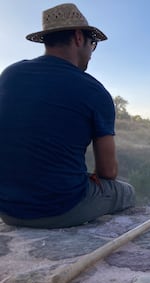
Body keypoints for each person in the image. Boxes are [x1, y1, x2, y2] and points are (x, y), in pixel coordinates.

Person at [0, 3, 136, 228]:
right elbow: (108, 172)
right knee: (126, 191)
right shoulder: (94, 91)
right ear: (78, 37)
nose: (92, 51)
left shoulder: (9, 74)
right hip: (61, 209)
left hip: (7, 209)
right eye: (93, 43)